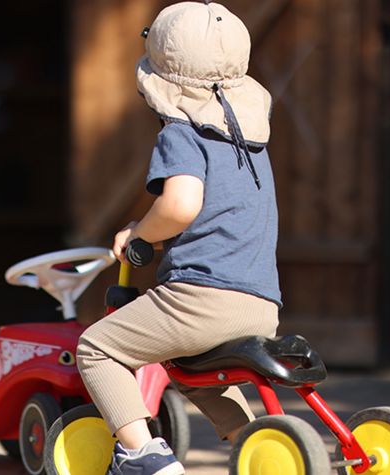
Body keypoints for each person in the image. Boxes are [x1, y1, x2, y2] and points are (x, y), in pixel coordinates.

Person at [75, 2, 280, 474]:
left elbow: (181, 206)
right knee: (191, 369)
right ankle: (258, 446)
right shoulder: (248, 139)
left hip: (200, 300)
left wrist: (138, 233)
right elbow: (216, 218)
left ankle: (141, 455)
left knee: (97, 347)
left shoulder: (182, 134)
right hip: (261, 303)